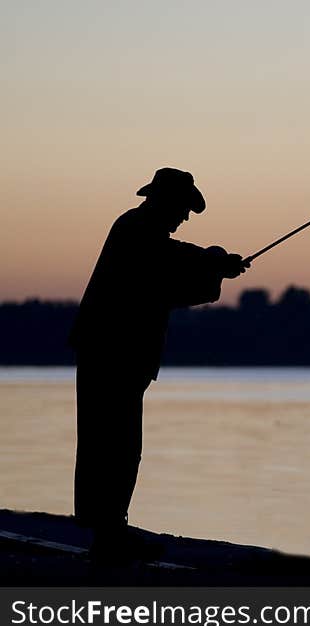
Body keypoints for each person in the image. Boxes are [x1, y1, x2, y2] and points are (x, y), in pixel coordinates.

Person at [68, 167, 249, 561]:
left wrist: (214, 267)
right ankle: (109, 533)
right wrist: (215, 262)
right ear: (165, 201)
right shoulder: (137, 231)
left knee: (114, 444)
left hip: (114, 353)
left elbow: (169, 282)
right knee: (114, 444)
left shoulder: (140, 232)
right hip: (111, 352)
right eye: (184, 209)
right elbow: (169, 266)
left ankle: (108, 531)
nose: (184, 218)